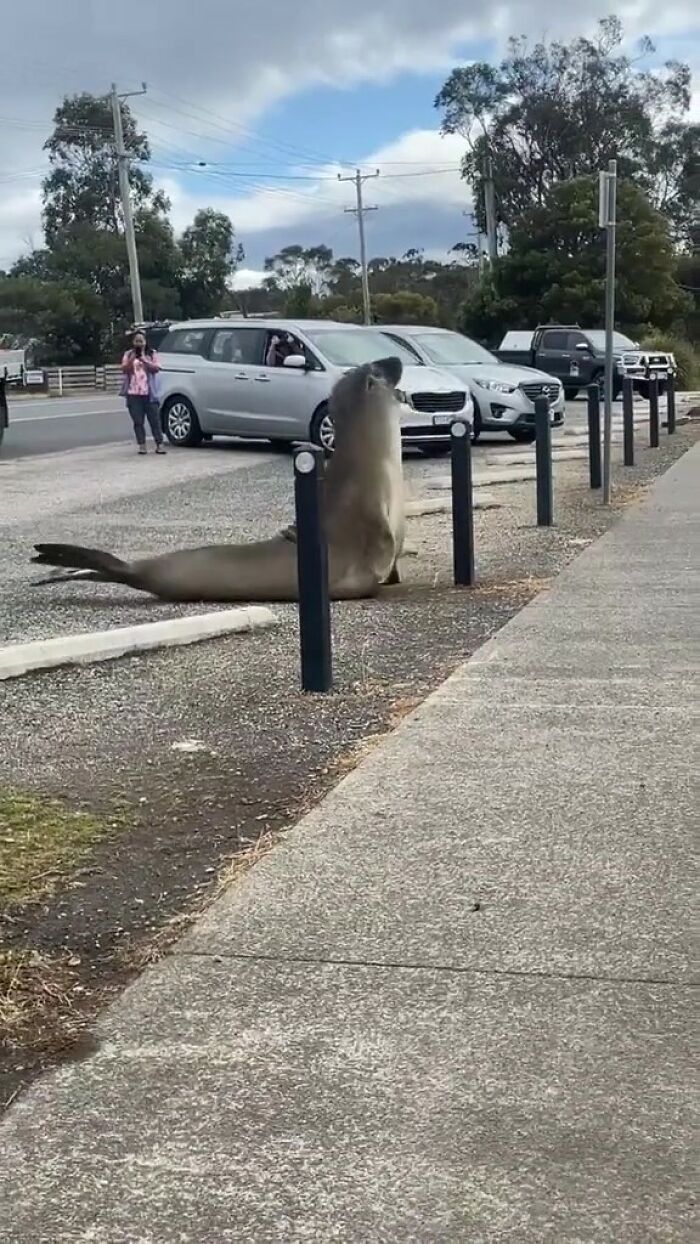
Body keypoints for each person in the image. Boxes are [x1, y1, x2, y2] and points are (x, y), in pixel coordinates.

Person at [120, 331, 165, 455]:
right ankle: (142, 445)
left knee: (155, 420)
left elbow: (156, 368)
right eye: (136, 341)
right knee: (138, 421)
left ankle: (159, 444)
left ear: (145, 342)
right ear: (133, 342)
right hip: (133, 393)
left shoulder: (152, 354)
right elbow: (124, 369)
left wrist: (144, 360)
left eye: (141, 341)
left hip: (149, 393)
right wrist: (133, 359)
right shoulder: (128, 354)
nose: (139, 343)